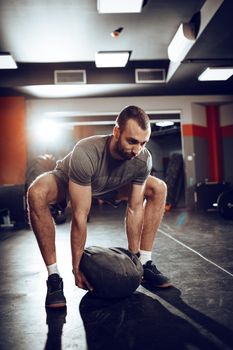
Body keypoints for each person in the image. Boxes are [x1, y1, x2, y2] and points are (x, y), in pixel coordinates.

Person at [27, 105, 171, 308]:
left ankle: (146, 263)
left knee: (158, 188)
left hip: (111, 185)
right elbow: (80, 215)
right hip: (69, 182)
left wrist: (135, 261)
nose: (137, 150)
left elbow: (134, 207)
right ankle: (54, 278)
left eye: (143, 143)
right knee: (36, 192)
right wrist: (77, 268)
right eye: (131, 141)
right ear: (116, 131)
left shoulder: (142, 158)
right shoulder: (87, 151)